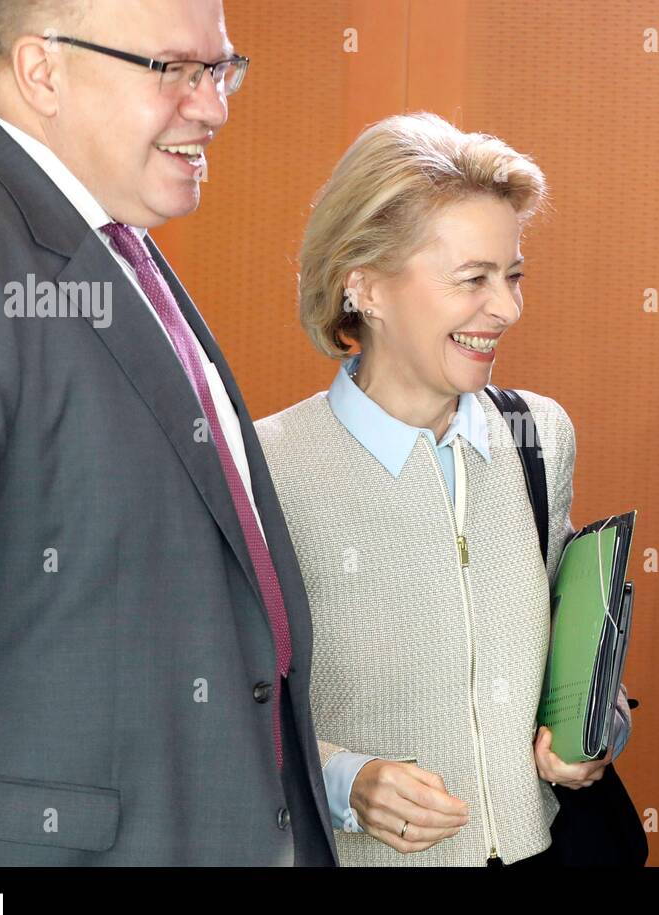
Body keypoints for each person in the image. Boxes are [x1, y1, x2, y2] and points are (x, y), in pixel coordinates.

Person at [0, 0, 335, 865]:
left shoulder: (118, 250)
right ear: (43, 71)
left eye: (222, 68)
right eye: (176, 70)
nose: (215, 105)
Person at [255, 112, 633, 866]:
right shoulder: (266, 466)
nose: (507, 308)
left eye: (513, 275)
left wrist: (599, 726)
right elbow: (215, 704)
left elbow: (566, 659)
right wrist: (345, 779)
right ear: (364, 285)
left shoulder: (539, 435)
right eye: (474, 280)